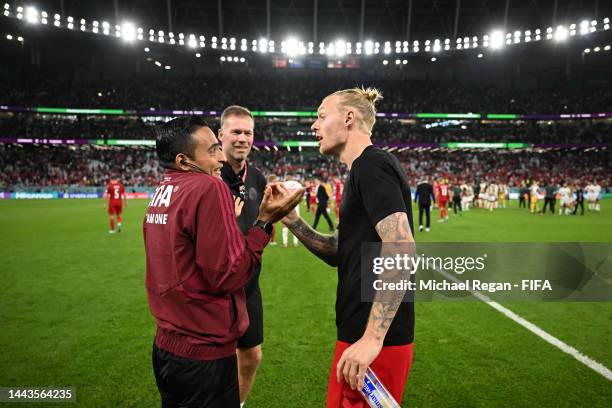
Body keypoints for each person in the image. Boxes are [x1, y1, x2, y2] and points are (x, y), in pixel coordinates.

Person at [144, 117, 303, 408]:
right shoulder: (209, 187)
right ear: (183, 159)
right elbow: (228, 276)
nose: (220, 157)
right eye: (212, 150)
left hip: (167, 343)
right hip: (202, 351)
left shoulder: (162, 189)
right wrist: (265, 223)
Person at [282, 87, 415, 407]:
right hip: (360, 336)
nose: (314, 125)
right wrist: (293, 221)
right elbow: (339, 251)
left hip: (374, 343)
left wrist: (372, 339)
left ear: (349, 118)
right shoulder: (363, 170)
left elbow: (401, 245)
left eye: (321, 115)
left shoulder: (372, 165)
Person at [218, 105, 271, 406]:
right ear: (221, 135)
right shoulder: (208, 178)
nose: (242, 138)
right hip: (215, 288)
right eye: (235, 131)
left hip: (249, 286)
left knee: (251, 357)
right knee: (212, 364)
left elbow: (262, 225)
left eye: (247, 132)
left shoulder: (258, 179)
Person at [282, 174, 303, 247]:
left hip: (286, 205)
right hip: (295, 205)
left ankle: (285, 243)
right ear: (293, 177)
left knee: (285, 224)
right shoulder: (298, 184)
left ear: (287, 177)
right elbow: (302, 196)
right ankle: (295, 242)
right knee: (296, 224)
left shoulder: (284, 184)